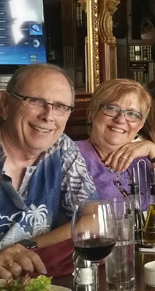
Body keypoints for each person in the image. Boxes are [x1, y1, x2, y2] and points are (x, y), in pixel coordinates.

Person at [0, 64, 97, 278]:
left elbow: (94, 218)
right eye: (35, 101)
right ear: (5, 104)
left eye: (61, 106)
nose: (48, 116)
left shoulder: (60, 148)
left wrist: (26, 246)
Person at [76, 79, 155, 207]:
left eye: (132, 114)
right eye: (112, 108)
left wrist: (153, 150)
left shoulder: (139, 160)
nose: (120, 119)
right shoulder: (73, 157)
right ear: (91, 113)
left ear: (140, 125)